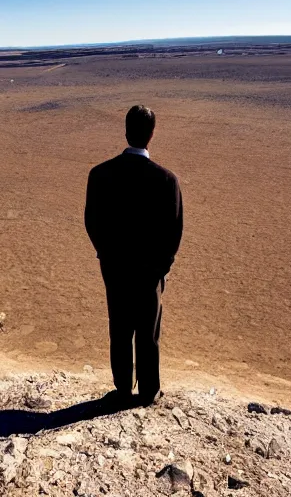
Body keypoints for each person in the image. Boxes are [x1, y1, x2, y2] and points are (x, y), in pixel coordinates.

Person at [85, 105, 183, 407]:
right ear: (151, 135)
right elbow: (174, 231)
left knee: (120, 328)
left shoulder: (100, 174)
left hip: (115, 269)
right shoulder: (166, 180)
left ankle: (123, 390)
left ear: (125, 131)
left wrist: (106, 255)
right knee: (147, 332)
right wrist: (161, 267)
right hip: (150, 272)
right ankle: (149, 391)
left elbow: (92, 221)